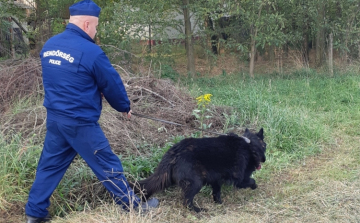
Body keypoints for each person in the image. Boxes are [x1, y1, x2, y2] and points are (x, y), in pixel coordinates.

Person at [24, 1, 159, 222]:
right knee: (108, 164)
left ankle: (34, 214)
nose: (95, 32)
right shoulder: (91, 52)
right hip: (80, 124)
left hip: (56, 120)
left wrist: (90, 89)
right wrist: (124, 107)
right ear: (87, 23)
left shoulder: (49, 45)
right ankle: (132, 207)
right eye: (95, 26)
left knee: (49, 167)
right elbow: (111, 84)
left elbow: (65, 80)